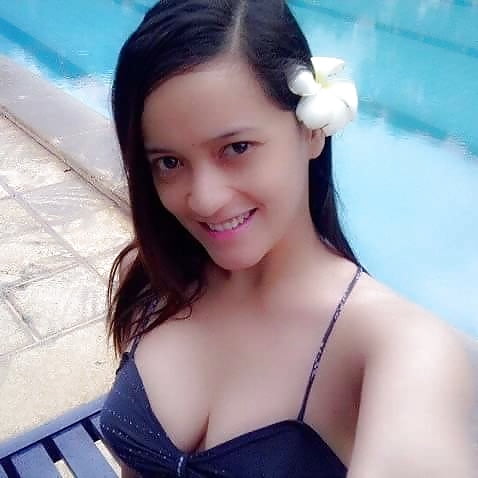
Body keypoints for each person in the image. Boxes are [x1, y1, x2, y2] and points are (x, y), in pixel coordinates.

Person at [99, 1, 476, 477]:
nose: (204, 200)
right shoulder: (155, 278)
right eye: (169, 162)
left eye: (237, 148)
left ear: (311, 132)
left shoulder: (400, 349)